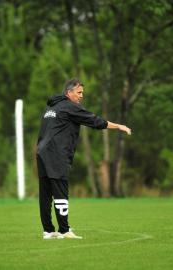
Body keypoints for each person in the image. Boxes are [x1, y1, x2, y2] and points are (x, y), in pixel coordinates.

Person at [36, 78, 131, 239]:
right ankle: (65, 230)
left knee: (45, 194)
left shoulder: (50, 107)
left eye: (82, 93)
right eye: (79, 93)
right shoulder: (69, 107)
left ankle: (48, 231)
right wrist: (119, 126)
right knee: (60, 192)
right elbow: (95, 121)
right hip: (57, 155)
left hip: (41, 154)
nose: (81, 96)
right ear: (69, 93)